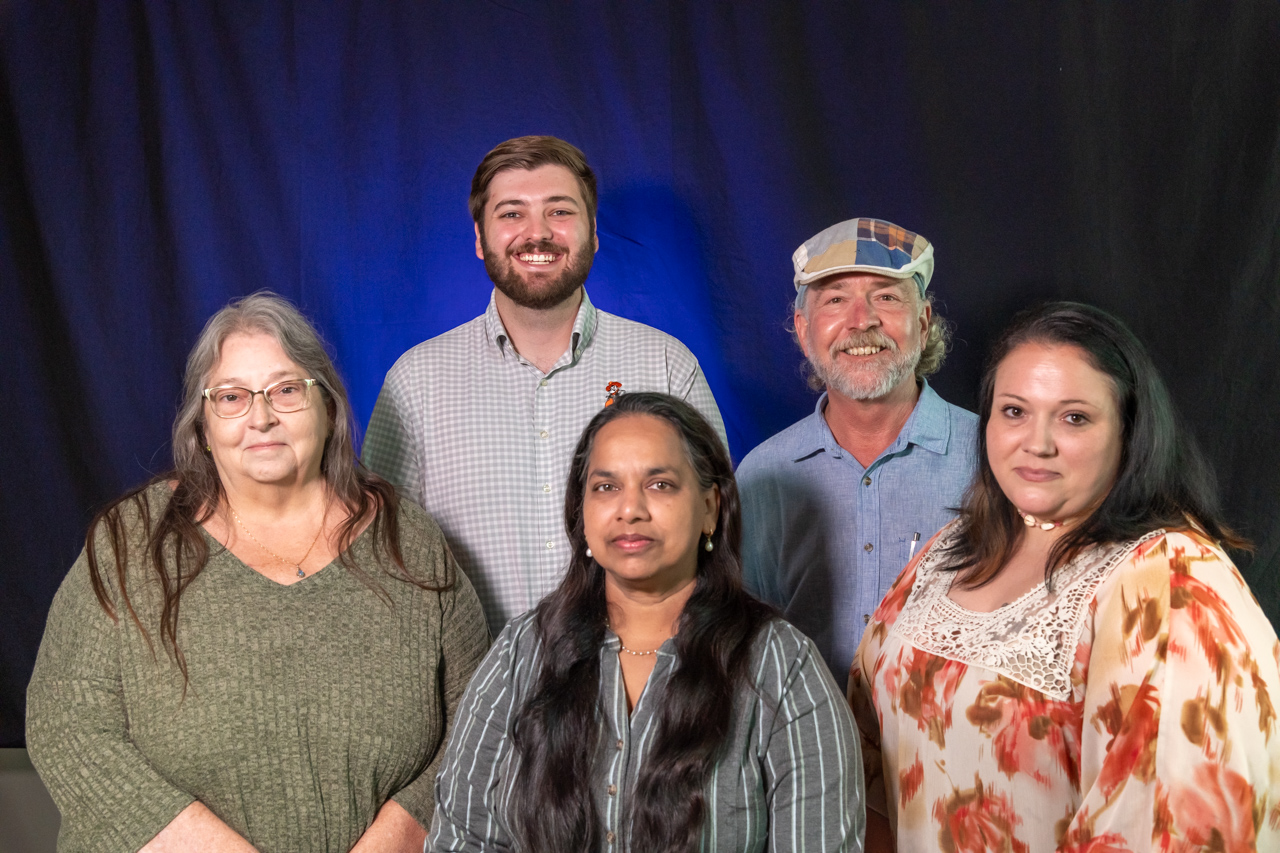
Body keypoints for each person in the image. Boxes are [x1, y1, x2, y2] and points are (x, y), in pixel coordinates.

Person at [26, 293, 490, 853]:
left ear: (329, 409)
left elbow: (480, 723)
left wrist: (394, 840)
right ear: (203, 425)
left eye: (286, 390)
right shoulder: (129, 543)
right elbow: (65, 724)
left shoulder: (410, 543)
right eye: (231, 397)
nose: (261, 417)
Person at [850, 302, 1280, 853]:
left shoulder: (1171, 582)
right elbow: (865, 761)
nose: (1037, 443)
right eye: (1014, 411)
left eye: (1074, 417)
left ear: (1129, 431)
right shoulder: (949, 550)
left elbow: (1170, 827)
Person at [429, 392, 862, 852]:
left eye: (660, 484)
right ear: (581, 511)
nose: (630, 509)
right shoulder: (522, 652)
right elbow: (461, 837)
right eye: (606, 487)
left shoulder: (782, 666)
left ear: (710, 508)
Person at [363, 135, 726, 635]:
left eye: (559, 211)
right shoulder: (415, 383)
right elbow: (382, 563)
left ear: (593, 233)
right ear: (480, 237)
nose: (537, 234)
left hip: (645, 679)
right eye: (512, 214)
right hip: (475, 680)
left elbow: (717, 537)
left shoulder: (665, 365)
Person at [737, 218, 977, 688]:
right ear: (804, 330)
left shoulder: (993, 458)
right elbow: (741, 639)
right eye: (835, 300)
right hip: (802, 733)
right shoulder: (762, 474)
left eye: (886, 297)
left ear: (923, 322)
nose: (862, 320)